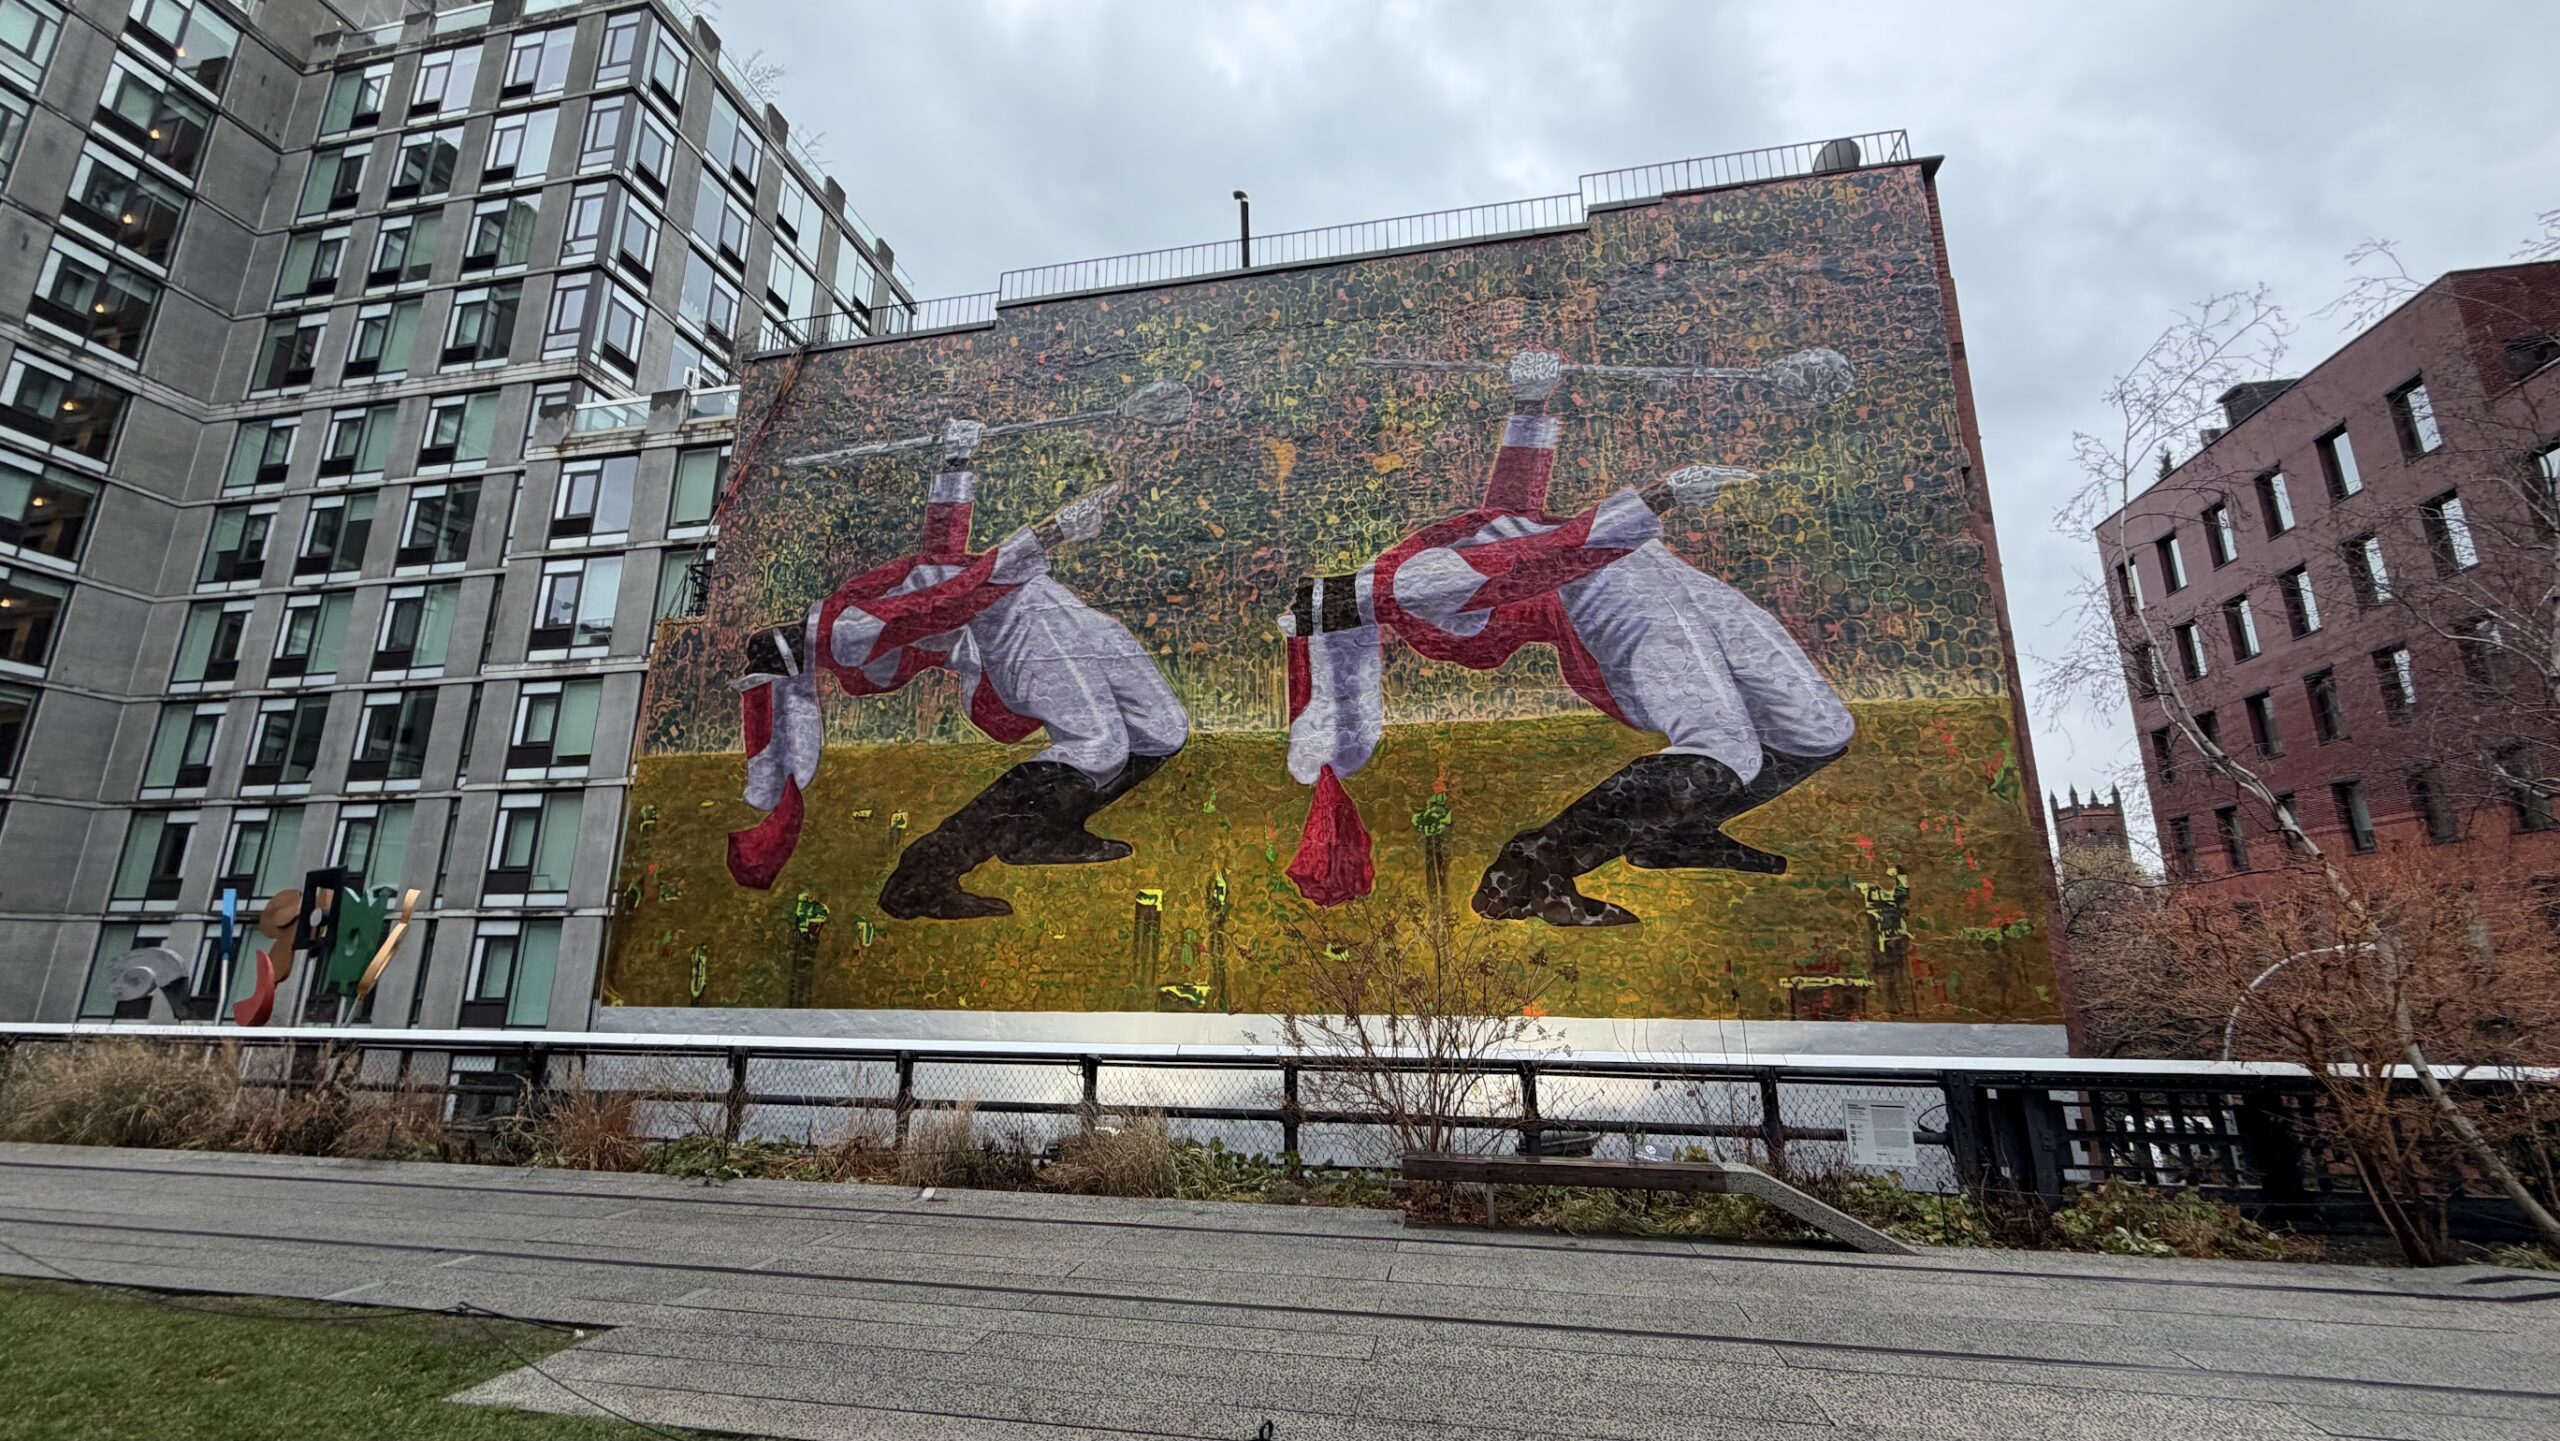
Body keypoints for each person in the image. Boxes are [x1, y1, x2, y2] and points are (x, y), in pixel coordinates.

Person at [1281, 350, 1854, 926]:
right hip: (1609, 598)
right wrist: (1662, 495)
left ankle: (1679, 834)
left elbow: (1510, 516)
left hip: (1646, 565)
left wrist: (1530, 401)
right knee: (1726, 747)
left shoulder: (1416, 562)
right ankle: (1537, 858)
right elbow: (1535, 560)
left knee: (1818, 727)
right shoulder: (1410, 583)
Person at [730, 420, 1188, 918]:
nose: (794, 624)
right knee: (1097, 745)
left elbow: (939, 558)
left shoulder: (844, 611)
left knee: (1162, 729)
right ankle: (925, 874)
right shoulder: (846, 630)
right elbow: (951, 600)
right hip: (1017, 626)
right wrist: (1052, 532)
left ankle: (1042, 830)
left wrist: (955, 461)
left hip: (1037, 601)